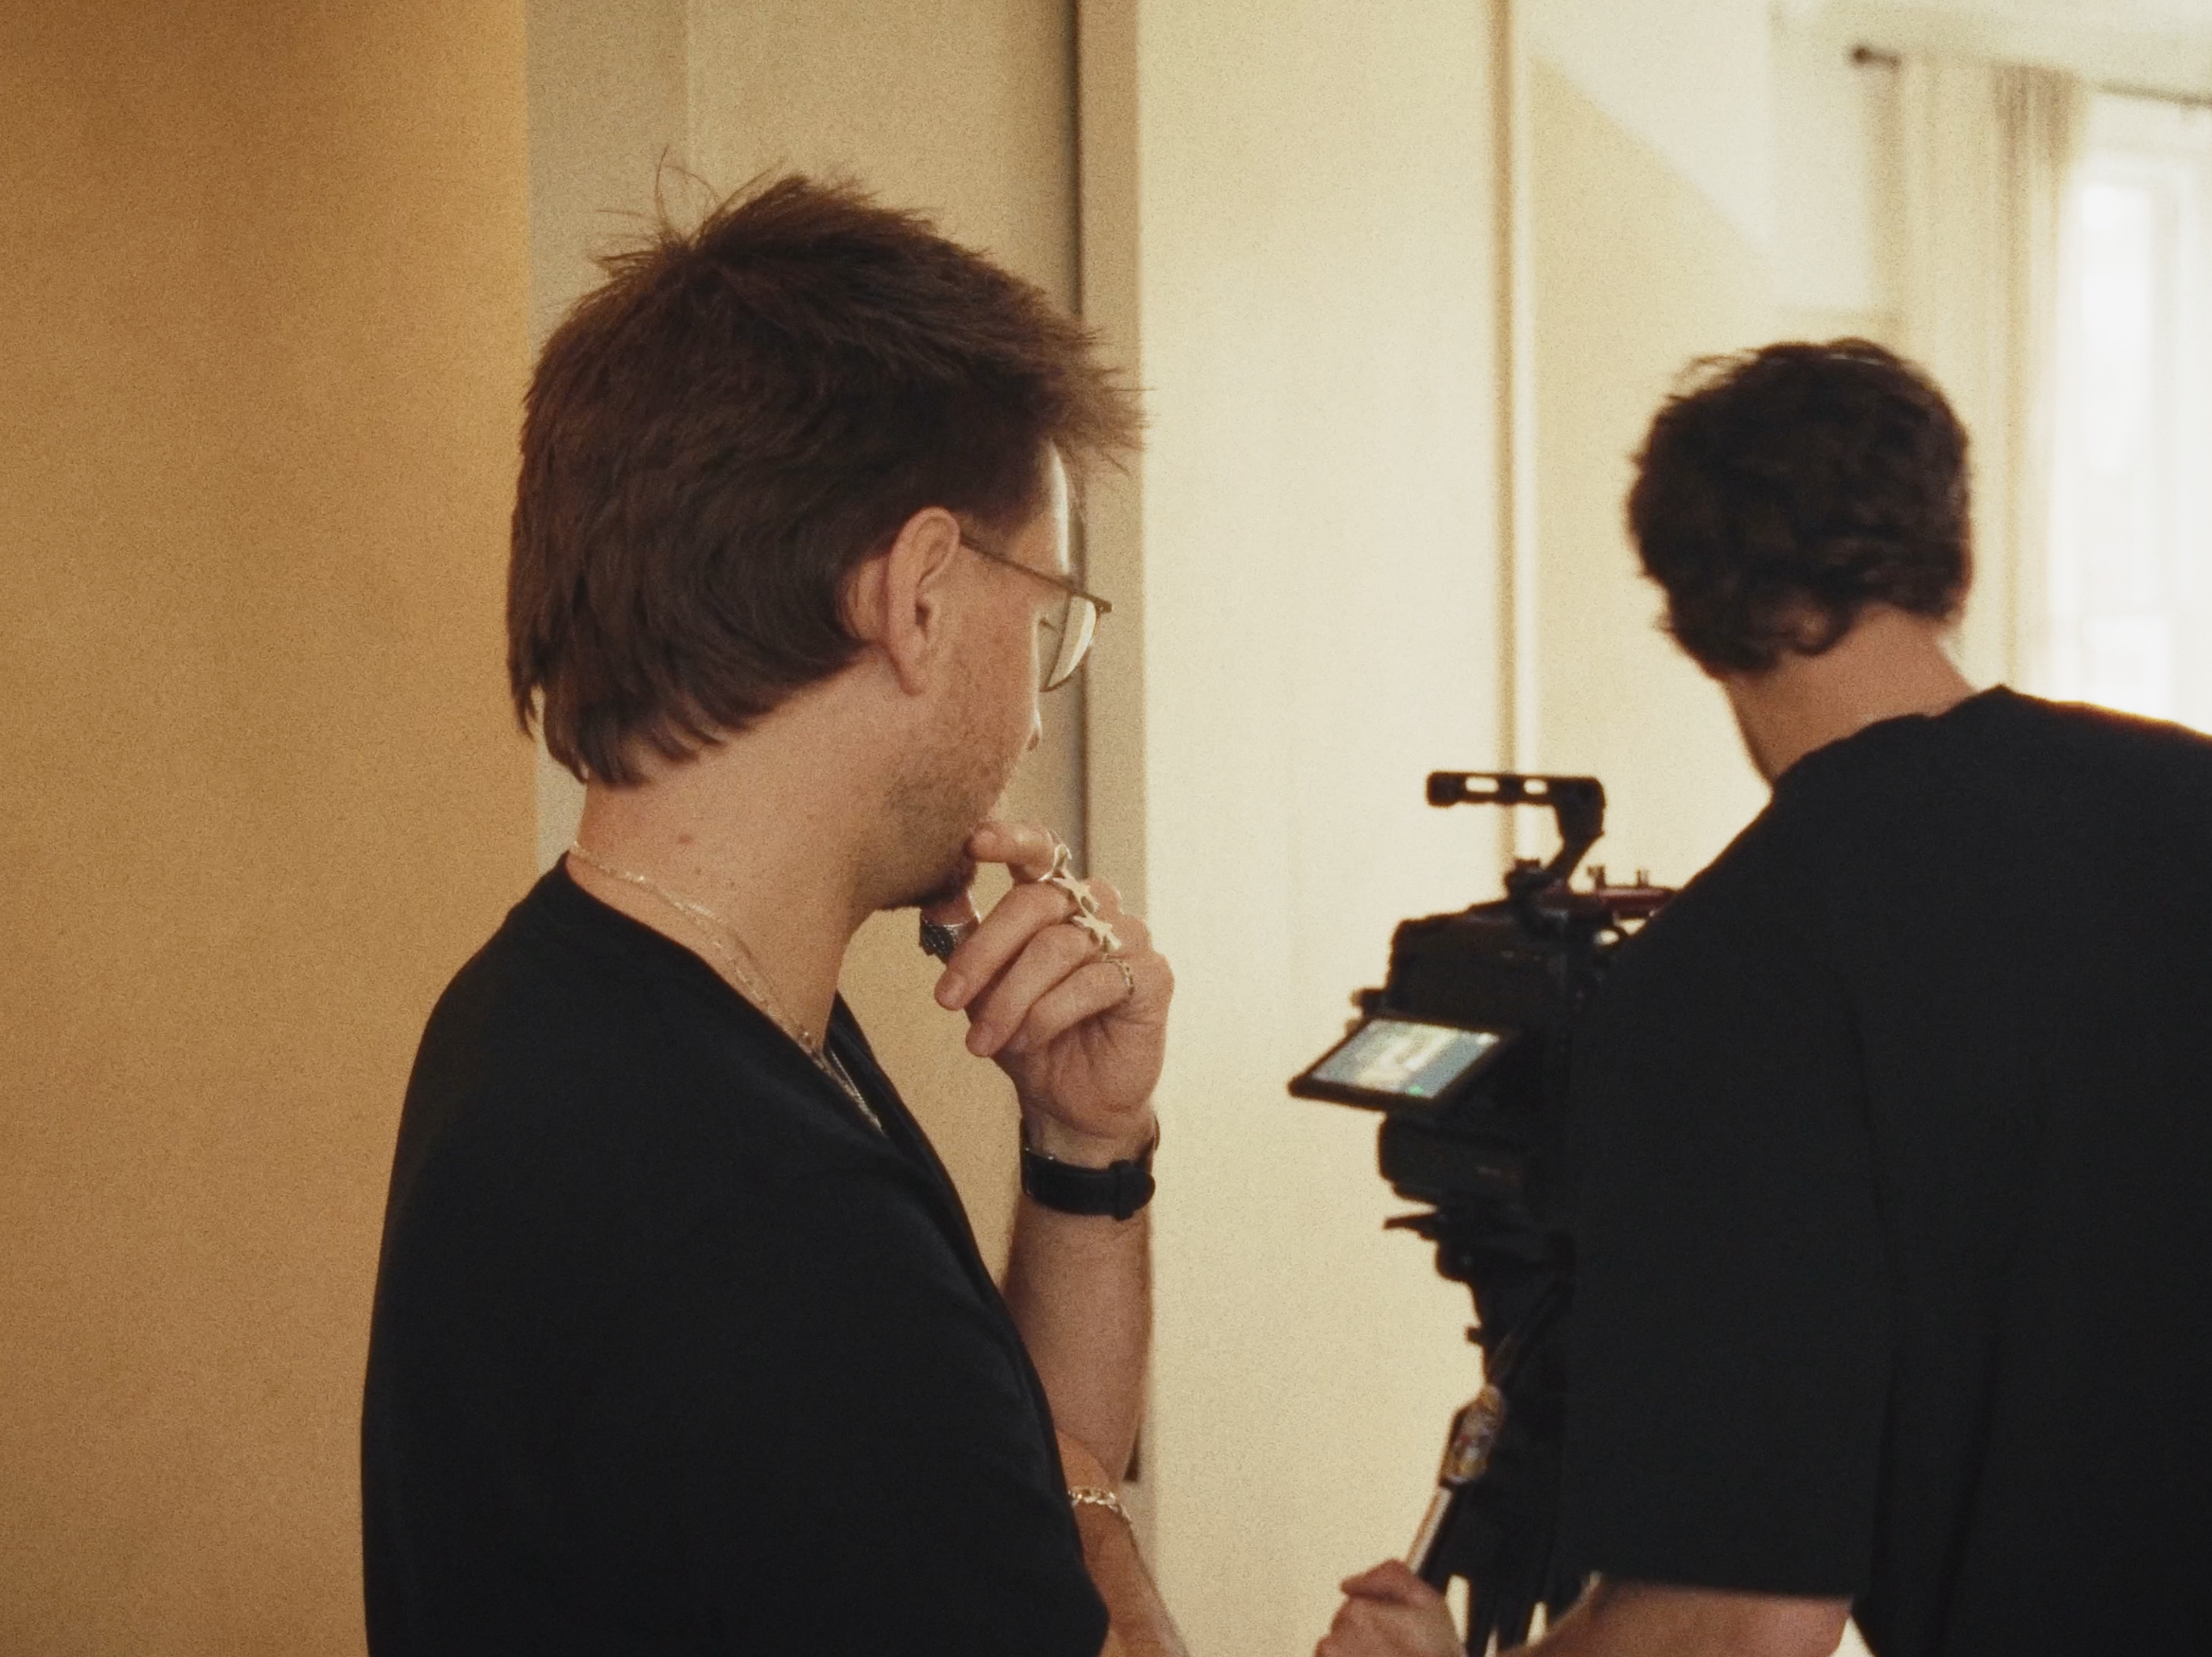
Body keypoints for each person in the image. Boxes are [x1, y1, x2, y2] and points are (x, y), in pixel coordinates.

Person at [363, 175, 1186, 1656]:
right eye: (1044, 619)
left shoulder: (565, 1001)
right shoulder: (767, 1227)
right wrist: (1098, 1517)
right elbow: (1053, 1501)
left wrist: (1085, 1152)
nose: (1034, 715)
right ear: (921, 594)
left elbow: (1001, 1458)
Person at [1319, 340, 2212, 1657]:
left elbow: (1736, 1621)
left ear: (1690, 612)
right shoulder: (2189, 802)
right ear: (1952, 566)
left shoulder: (1732, 970)